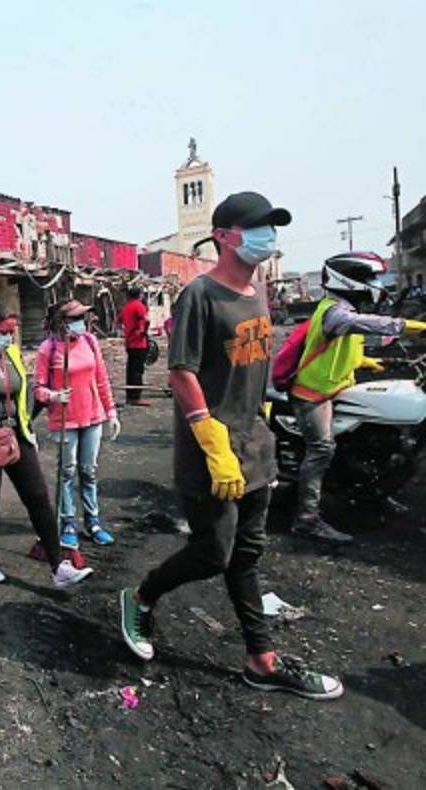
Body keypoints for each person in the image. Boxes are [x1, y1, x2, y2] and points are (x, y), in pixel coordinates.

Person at [118, 191, 344, 700]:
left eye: (272, 227)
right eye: (257, 227)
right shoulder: (199, 295)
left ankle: (260, 661)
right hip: (212, 450)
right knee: (214, 553)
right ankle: (141, 595)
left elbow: (254, 365)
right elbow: (181, 373)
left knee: (247, 555)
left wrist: (265, 420)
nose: (268, 237)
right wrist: (210, 438)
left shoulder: (258, 290)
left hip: (254, 444)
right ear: (223, 236)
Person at [0, 302, 94, 587]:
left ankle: (58, 566)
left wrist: (29, 426)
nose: (10, 338)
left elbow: (22, 392)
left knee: (38, 498)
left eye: (13, 332)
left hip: (15, 435)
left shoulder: (11, 353)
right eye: (5, 331)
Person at [287, 251, 426, 544]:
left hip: (337, 387)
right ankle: (307, 519)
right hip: (313, 394)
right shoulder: (334, 311)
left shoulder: (345, 307)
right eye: (368, 278)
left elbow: (340, 346)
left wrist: (364, 362)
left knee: (374, 438)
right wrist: (410, 326)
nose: (375, 284)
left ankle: (372, 495)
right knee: (322, 450)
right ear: (348, 280)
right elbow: (363, 324)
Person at [35, 300, 121, 548]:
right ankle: (68, 522)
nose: (81, 322)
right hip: (64, 420)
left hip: (93, 416)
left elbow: (102, 378)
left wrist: (111, 411)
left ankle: (93, 521)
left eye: (83, 317)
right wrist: (52, 395)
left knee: (89, 471)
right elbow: (38, 387)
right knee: (67, 471)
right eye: (76, 318)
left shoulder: (91, 342)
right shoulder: (48, 349)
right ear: (62, 322)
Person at [120, 286, 151, 406]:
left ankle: (130, 396)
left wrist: (127, 332)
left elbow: (118, 322)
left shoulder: (126, 307)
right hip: (139, 343)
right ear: (140, 295)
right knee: (138, 370)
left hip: (129, 342)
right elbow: (147, 320)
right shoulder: (139, 306)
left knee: (131, 370)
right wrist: (143, 332)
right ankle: (136, 397)